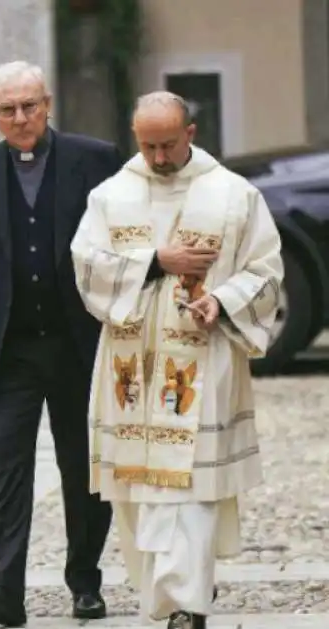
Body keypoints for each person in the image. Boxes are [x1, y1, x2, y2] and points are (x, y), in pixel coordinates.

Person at [70, 91, 283, 629]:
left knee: (186, 488)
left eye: (168, 144)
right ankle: (165, 593)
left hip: (201, 363)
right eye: (148, 146)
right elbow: (87, 265)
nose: (159, 158)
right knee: (139, 492)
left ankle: (186, 605)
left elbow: (266, 269)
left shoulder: (234, 195)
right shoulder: (111, 195)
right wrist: (156, 261)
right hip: (129, 371)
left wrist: (223, 299)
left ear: (191, 132)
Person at [0, 60, 122, 627]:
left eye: (29, 106)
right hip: (7, 350)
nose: (20, 118)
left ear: (48, 103)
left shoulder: (96, 159)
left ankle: (85, 583)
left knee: (83, 470)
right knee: (6, 474)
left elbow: (126, 243)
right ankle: (4, 590)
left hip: (78, 345)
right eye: (7, 110)